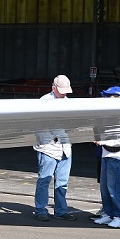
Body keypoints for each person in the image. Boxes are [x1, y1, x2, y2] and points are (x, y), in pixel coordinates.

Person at [32, 74, 75, 222]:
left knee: (62, 181)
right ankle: (40, 209)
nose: (64, 94)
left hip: (65, 148)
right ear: (54, 88)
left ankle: (60, 210)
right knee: (44, 180)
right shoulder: (44, 102)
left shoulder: (68, 103)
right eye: (62, 91)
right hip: (48, 148)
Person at [94, 86, 120, 228]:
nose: (106, 99)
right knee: (105, 188)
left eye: (110, 96)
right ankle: (109, 214)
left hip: (116, 157)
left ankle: (118, 217)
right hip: (106, 154)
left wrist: (102, 142)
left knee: (115, 188)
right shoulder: (107, 116)